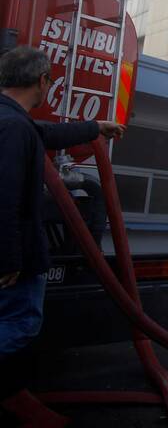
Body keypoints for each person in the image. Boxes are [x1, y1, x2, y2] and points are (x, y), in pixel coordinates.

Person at [0, 47, 125, 398]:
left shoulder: (12, 121)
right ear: (42, 81)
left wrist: (94, 128)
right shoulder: (13, 127)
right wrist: (10, 258)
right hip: (16, 260)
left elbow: (45, 134)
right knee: (20, 325)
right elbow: (5, 197)